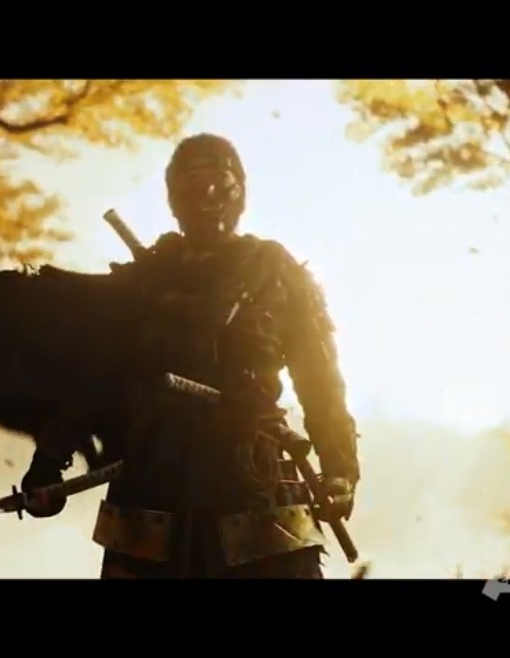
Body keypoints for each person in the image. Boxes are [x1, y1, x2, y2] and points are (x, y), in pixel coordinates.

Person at [22, 133, 359, 579]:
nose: (208, 198)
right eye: (194, 186)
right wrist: (48, 464)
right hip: (153, 484)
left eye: (221, 185)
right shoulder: (142, 282)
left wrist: (340, 469)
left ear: (240, 193)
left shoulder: (275, 273)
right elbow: (93, 378)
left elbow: (320, 380)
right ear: (173, 198)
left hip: (253, 482)